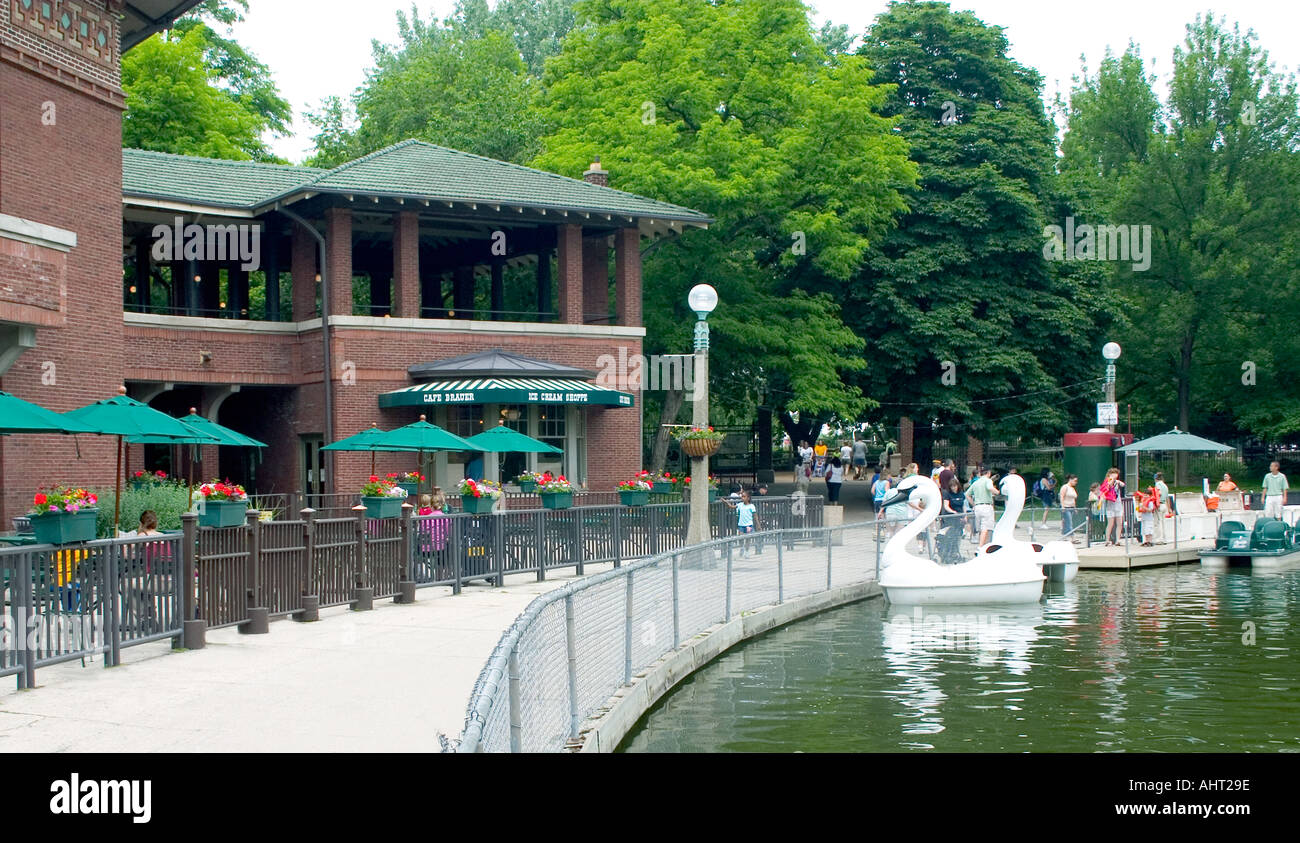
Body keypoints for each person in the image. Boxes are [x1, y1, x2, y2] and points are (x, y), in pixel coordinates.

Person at [967, 467, 997, 546]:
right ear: (989, 473)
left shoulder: (976, 482)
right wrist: (998, 492)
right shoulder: (988, 480)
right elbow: (990, 488)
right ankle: (981, 547)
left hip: (977, 507)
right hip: (986, 506)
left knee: (981, 528)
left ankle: (982, 545)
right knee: (986, 528)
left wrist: (973, 504)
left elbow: (967, 494)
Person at [725, 490, 760, 557]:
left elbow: (755, 516)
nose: (742, 498)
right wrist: (726, 502)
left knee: (748, 539)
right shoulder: (740, 505)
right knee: (741, 538)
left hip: (748, 525)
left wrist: (758, 525)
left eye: (744, 497)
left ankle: (747, 551)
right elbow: (732, 507)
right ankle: (742, 548)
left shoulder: (751, 506)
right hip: (741, 525)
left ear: (748, 498)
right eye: (742, 496)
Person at [1101, 468, 1126, 546]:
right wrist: (1112, 480)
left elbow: (1123, 484)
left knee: (1119, 523)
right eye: (1114, 473)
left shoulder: (1117, 482)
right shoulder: (1107, 482)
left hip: (1118, 504)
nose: (1116, 475)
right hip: (1110, 505)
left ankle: (1118, 539)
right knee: (1110, 523)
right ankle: (1107, 540)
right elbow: (1107, 487)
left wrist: (1117, 481)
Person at [1059, 475, 1079, 543]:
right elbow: (1062, 496)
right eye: (1075, 481)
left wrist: (1075, 508)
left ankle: (1064, 535)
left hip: (1071, 507)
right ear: (1070, 479)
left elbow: (1073, 499)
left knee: (1067, 522)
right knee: (1069, 522)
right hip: (1066, 507)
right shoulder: (1065, 487)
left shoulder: (1072, 488)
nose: (1075, 482)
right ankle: (1073, 537)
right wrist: (1063, 506)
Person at [1153, 472, 1170, 544]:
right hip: (1164, 505)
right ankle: (1164, 538)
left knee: (1157, 522)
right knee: (1163, 522)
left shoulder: (1158, 484)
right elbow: (1167, 497)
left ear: (1155, 479)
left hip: (1159, 504)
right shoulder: (1165, 486)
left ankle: (1159, 539)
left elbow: (1158, 493)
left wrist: (1156, 503)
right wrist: (1169, 508)